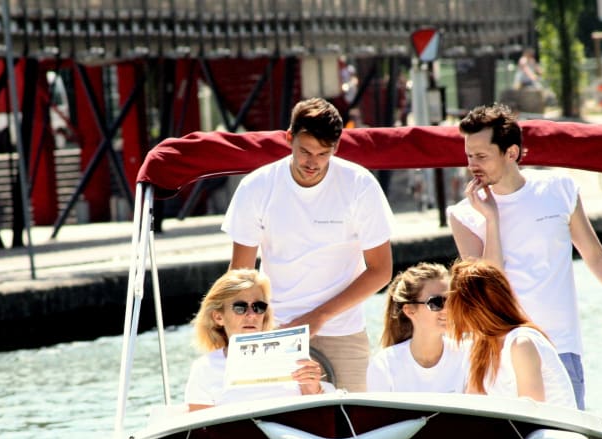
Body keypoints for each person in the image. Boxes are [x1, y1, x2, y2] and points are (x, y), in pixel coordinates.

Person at [446, 103, 602, 410]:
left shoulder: (559, 189)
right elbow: (487, 286)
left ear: (511, 153)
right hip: (499, 353)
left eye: (482, 156)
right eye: (469, 155)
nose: (473, 164)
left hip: (560, 348)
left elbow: (595, 256)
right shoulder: (463, 215)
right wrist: (491, 220)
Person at [222, 97, 395, 392]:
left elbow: (381, 271)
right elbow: (240, 276)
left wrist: (319, 317)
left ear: (336, 148)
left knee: (354, 426)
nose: (312, 162)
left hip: (343, 331)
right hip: (276, 331)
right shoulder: (256, 187)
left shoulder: (360, 185)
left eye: (323, 153)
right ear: (289, 138)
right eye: (304, 151)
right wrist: (233, 335)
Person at [184, 268, 331, 411]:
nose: (252, 315)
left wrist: (312, 387)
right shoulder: (204, 368)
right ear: (218, 317)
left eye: (258, 307)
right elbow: (201, 431)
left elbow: (316, 417)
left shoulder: (295, 359)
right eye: (240, 307)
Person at [446, 259, 576, 408]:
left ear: (473, 310)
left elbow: (532, 414)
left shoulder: (522, 344)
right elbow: (473, 406)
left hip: (551, 429)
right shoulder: (482, 348)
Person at [367, 262, 466, 393]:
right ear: (410, 311)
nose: (448, 309)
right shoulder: (383, 366)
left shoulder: (467, 356)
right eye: (437, 302)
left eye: (452, 301)